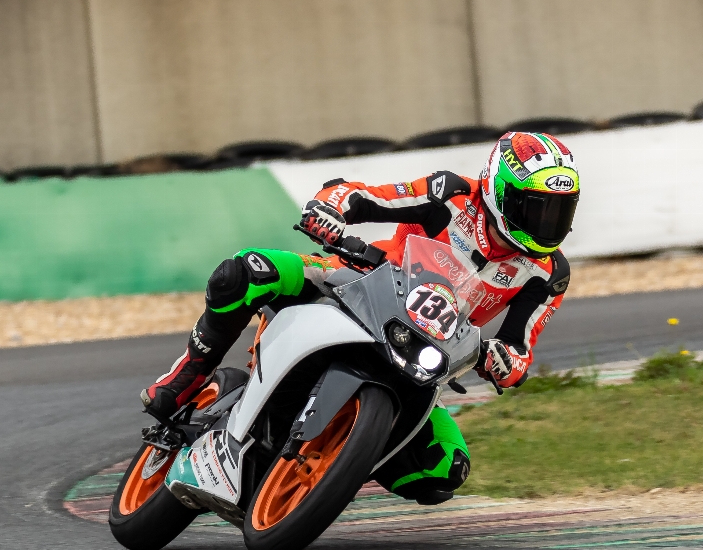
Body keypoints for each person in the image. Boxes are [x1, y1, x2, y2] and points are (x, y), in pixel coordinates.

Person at [141, 132, 580, 503]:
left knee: (444, 470)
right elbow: (362, 196)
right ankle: (187, 375)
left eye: (560, 210)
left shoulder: (549, 273)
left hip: (423, 352)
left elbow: (520, 349)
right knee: (244, 272)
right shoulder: (452, 194)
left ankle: (334, 462)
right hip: (358, 283)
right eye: (537, 207)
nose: (548, 223)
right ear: (500, 192)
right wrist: (329, 211)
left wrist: (502, 361)